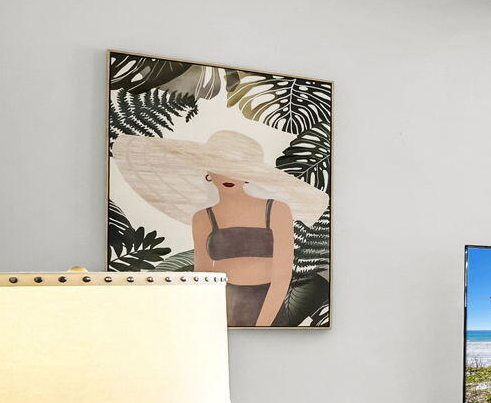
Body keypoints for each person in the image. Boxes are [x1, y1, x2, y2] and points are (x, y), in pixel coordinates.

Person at [111, 129, 328, 327]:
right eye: (220, 167)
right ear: (209, 171)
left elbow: (282, 275)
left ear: (249, 175)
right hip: (222, 305)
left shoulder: (277, 210)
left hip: (269, 304)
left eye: (236, 169)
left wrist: (262, 324)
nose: (228, 176)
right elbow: (202, 274)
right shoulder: (203, 218)